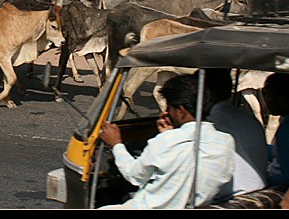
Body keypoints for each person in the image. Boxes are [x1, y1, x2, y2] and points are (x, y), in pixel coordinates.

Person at [98, 73, 235, 209]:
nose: (166, 112)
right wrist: (169, 134)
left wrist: (116, 144)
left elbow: (134, 176)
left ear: (181, 110)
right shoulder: (226, 142)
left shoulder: (168, 141)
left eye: (169, 108)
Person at [204, 68, 269, 200]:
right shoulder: (250, 119)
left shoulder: (212, 124)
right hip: (259, 191)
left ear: (207, 93)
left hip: (232, 197)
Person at [262, 72, 289, 188]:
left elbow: (288, 176)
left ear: (283, 100)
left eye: (267, 95)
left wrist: (261, 179)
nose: (265, 100)